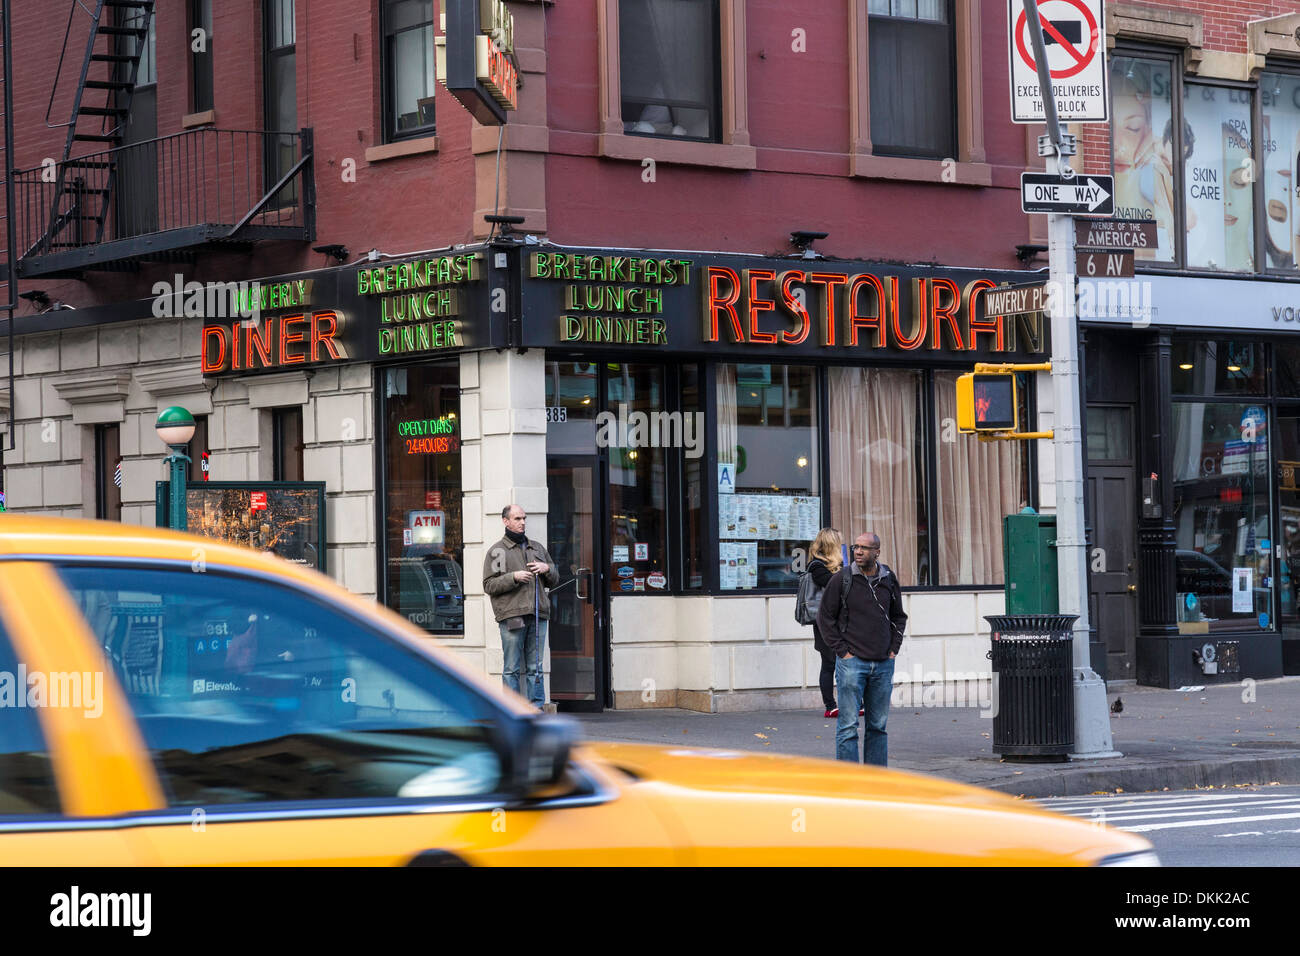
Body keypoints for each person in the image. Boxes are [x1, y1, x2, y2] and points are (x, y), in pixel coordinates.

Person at [816, 531, 907, 767]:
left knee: (878, 727)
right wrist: (843, 652)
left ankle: (875, 780)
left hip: (883, 663)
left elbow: (899, 616)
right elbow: (825, 618)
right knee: (847, 727)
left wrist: (893, 648)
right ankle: (850, 782)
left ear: (877, 552)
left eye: (864, 548)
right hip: (851, 663)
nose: (858, 551)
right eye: (855, 546)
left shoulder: (888, 578)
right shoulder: (842, 579)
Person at [483, 504, 560, 708]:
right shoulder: (497, 551)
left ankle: (536, 711)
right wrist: (513, 577)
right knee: (511, 668)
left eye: (524, 518)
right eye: (517, 519)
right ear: (505, 521)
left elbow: (555, 579)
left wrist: (547, 569)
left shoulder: (537, 548)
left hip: (537, 614)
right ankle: (512, 711)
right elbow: (489, 585)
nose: (523, 522)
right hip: (512, 616)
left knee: (536, 667)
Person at [806, 527, 844, 718]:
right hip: (824, 622)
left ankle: (854, 703)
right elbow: (835, 586)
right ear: (832, 544)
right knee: (829, 662)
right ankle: (830, 705)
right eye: (839, 542)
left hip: (842, 620)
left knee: (848, 661)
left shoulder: (840, 565)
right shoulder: (817, 567)